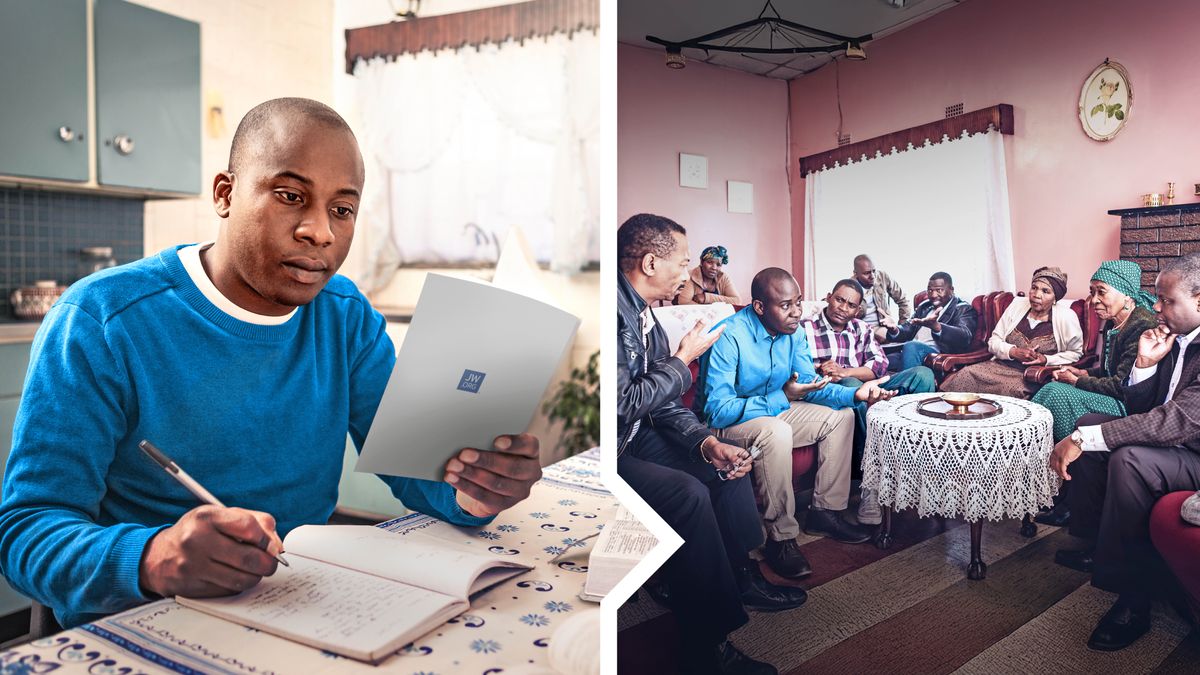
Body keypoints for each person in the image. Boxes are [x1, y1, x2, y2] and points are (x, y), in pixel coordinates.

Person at [0, 99, 544, 629]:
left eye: (342, 210)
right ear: (225, 193)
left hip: (301, 604)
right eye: (290, 196)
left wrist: (473, 490)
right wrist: (154, 557)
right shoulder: (101, 320)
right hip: (146, 620)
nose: (320, 232)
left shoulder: (345, 315)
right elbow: (26, 532)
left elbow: (415, 469)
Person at [617, 214, 803, 675]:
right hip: (611, 448)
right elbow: (622, 405)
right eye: (682, 263)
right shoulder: (611, 314)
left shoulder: (645, 316)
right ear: (650, 261)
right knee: (688, 494)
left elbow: (661, 405)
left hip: (643, 434)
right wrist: (682, 360)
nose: (687, 273)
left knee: (726, 464)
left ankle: (743, 576)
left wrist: (704, 444)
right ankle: (707, 646)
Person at [697, 268, 894, 581]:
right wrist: (781, 396)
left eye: (799, 303)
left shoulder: (795, 332)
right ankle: (781, 538)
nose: (797, 312)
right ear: (760, 307)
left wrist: (856, 392)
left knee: (840, 416)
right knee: (777, 431)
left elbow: (810, 383)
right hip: (729, 422)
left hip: (774, 408)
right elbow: (717, 411)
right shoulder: (729, 335)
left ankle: (825, 513)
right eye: (786, 305)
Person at [1050, 253, 1200, 652]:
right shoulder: (1175, 340)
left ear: (1199, 300)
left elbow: (1174, 422)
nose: (1156, 308)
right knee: (1088, 422)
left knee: (1128, 458)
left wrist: (1084, 441)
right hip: (1174, 444)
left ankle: (1134, 599)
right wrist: (1146, 364)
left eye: (1166, 300)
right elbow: (1142, 409)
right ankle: (1093, 544)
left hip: (1194, 454)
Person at [1030, 261, 1157, 527]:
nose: (1093, 300)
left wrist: (1076, 381)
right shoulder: (1119, 321)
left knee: (1058, 393)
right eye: (1092, 292)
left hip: (1133, 407)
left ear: (1127, 295)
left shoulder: (1141, 325)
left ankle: (1066, 492)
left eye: (1101, 292)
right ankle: (1057, 489)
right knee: (1052, 390)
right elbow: (1114, 370)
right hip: (1119, 395)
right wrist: (1086, 373)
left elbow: (1123, 386)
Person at [800, 278, 937, 525]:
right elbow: (798, 372)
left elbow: (878, 365)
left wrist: (845, 370)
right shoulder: (804, 329)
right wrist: (823, 370)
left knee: (922, 374)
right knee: (852, 388)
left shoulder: (861, 328)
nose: (843, 308)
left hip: (862, 381)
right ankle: (870, 484)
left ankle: (917, 470)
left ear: (857, 309)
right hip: (835, 393)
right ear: (829, 297)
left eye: (851, 305)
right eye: (839, 300)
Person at [941, 267, 1083, 399]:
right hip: (999, 366)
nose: (1036, 295)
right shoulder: (1017, 305)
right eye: (1034, 288)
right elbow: (993, 341)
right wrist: (1013, 351)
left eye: (1046, 291)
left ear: (1055, 298)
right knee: (965, 375)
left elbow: (1075, 354)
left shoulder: (1067, 317)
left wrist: (1045, 359)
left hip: (1030, 375)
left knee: (1012, 390)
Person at [883, 272, 978, 371]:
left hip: (936, 354)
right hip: (909, 351)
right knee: (879, 362)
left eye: (939, 290)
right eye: (930, 290)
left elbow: (965, 337)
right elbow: (908, 328)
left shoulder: (963, 308)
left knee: (911, 346)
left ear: (951, 290)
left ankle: (905, 385)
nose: (933, 295)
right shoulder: (924, 306)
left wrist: (937, 327)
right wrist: (894, 329)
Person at [851, 254, 910, 343]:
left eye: (874, 271)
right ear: (855, 273)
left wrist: (902, 325)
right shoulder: (849, 287)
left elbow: (903, 300)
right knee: (884, 339)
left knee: (905, 338)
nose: (872, 276)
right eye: (866, 273)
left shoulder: (882, 277)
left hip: (883, 325)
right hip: (861, 329)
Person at [676, 245, 743, 305]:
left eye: (718, 265)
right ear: (701, 262)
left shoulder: (723, 277)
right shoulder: (690, 276)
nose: (714, 268)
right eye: (710, 262)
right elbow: (683, 302)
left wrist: (706, 297)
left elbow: (737, 301)